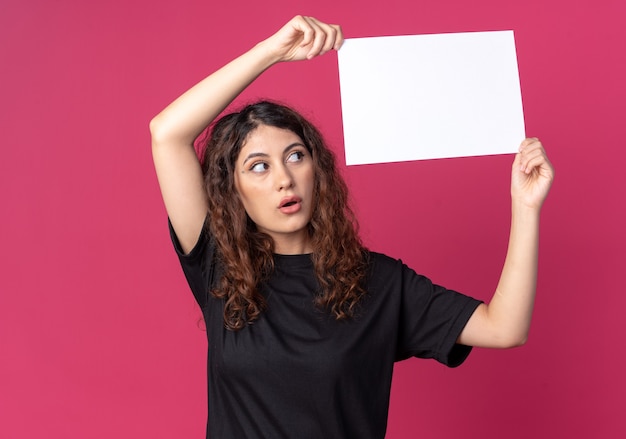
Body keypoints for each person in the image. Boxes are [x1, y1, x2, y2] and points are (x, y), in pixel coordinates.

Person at [150, 15, 554, 439]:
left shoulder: (378, 282)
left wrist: (525, 207)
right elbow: (167, 134)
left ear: (317, 168)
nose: (284, 179)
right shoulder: (220, 265)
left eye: (295, 156)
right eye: (258, 167)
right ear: (233, 191)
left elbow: (505, 327)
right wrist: (270, 52)